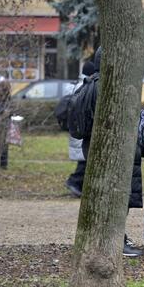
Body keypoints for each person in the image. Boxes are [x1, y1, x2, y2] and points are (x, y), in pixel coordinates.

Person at [79, 47, 144, 257]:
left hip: (98, 148)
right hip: (110, 152)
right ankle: (114, 241)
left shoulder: (91, 82)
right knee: (113, 197)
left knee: (108, 196)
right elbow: (112, 121)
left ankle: (113, 238)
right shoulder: (106, 86)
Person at [65, 61, 96, 198]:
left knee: (84, 158)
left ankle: (79, 184)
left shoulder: (74, 85)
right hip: (82, 127)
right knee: (84, 159)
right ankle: (74, 181)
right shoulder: (85, 86)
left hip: (74, 127)